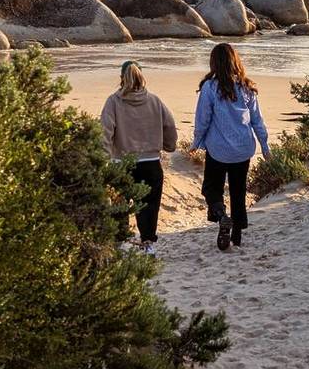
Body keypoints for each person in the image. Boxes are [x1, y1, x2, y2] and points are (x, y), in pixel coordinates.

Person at [190, 43, 271, 251]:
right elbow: (257, 121)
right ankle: (236, 236)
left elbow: (203, 119)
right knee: (238, 191)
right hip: (243, 149)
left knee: (211, 188)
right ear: (235, 61)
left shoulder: (209, 88)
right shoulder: (247, 87)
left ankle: (221, 216)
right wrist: (264, 145)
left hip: (218, 150)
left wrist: (196, 142)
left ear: (214, 63)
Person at [101, 61, 177, 257]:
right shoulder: (155, 101)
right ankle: (148, 244)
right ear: (142, 77)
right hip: (150, 163)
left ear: (121, 79)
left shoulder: (113, 102)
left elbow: (105, 131)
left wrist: (103, 156)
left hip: (121, 164)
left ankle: (118, 246)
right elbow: (170, 126)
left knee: (120, 206)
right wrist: (169, 146)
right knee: (149, 207)